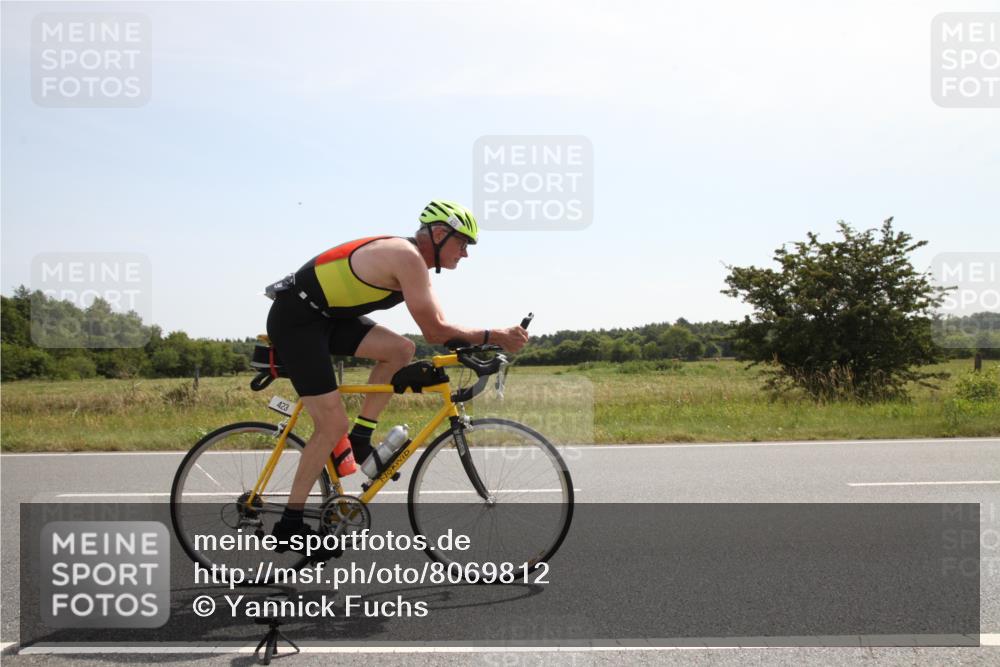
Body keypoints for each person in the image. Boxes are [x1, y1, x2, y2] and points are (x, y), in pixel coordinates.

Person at [264, 200, 528, 559]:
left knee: (400, 349)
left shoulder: (413, 262)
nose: (465, 254)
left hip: (324, 319)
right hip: (297, 321)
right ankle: (290, 525)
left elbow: (441, 327)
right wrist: (494, 334)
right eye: (463, 243)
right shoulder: (406, 257)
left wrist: (481, 342)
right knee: (330, 424)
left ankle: (360, 436)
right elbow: (435, 330)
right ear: (438, 234)